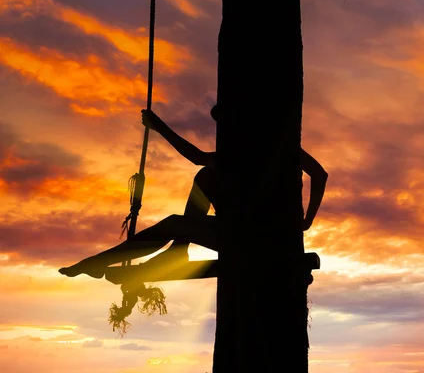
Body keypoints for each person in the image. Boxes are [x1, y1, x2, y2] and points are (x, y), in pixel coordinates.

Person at [59, 106, 328, 280]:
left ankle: (102, 261)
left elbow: (196, 156)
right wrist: (306, 221)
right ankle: (177, 250)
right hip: (241, 229)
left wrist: (159, 126)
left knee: (175, 222)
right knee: (205, 178)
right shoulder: (255, 150)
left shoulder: (262, 148)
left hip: (258, 240)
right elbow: (319, 174)